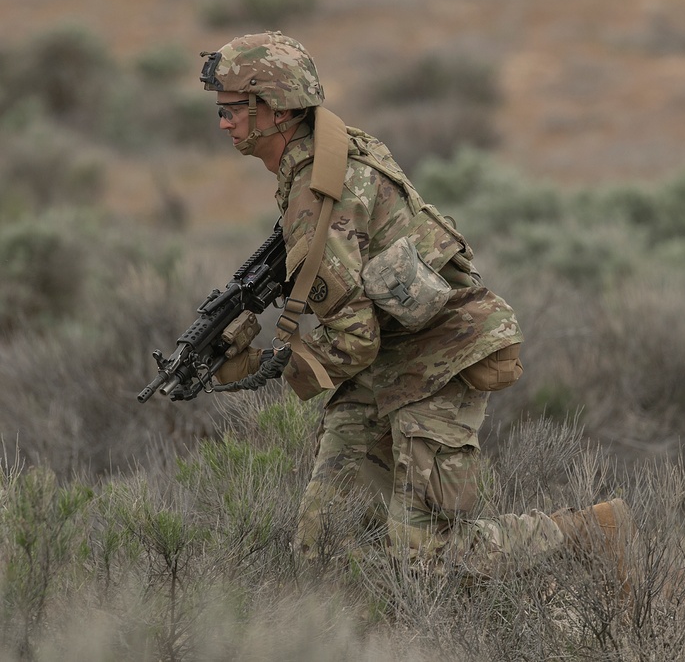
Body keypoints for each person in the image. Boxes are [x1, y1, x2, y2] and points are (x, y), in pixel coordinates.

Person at [199, 31, 632, 579]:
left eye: (234, 110)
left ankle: (590, 533)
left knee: (430, 557)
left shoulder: (319, 190)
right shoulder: (332, 148)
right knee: (320, 542)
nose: (224, 124)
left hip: (438, 360)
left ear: (277, 111)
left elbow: (354, 337)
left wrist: (265, 366)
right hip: (389, 361)